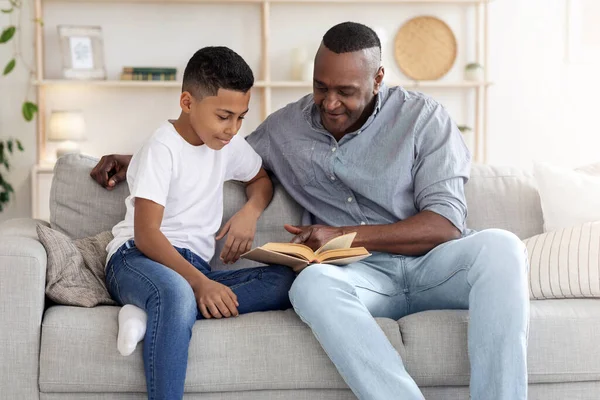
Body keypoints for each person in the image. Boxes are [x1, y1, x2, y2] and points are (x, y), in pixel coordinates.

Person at [92, 23, 529, 400]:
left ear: (378, 79)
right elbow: (206, 144)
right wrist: (135, 159)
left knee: (503, 248)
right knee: (309, 284)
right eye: (321, 87)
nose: (331, 102)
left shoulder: (424, 119)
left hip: (435, 268)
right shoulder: (288, 127)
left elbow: (447, 225)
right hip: (359, 278)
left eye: (346, 91)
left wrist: (343, 234)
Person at [98, 46, 296, 400]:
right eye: (224, 116)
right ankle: (166, 305)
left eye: (241, 117)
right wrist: (202, 284)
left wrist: (249, 213)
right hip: (138, 258)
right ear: (188, 102)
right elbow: (146, 234)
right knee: (176, 294)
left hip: (190, 265)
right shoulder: (162, 147)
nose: (232, 129)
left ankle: (149, 314)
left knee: (285, 281)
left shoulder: (225, 145)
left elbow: (261, 179)